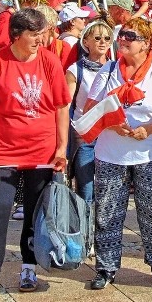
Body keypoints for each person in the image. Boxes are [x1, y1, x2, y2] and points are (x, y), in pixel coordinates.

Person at [0, 9, 70, 300]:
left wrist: (62, 146)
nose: (40, 39)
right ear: (17, 35)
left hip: (42, 150)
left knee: (34, 212)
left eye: (42, 33)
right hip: (3, 149)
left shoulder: (50, 61)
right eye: (33, 34)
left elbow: (61, 106)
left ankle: (29, 266)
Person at [84, 18, 152, 290]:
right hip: (111, 153)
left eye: (129, 35)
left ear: (146, 43)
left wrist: (149, 130)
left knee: (151, 213)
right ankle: (106, 267)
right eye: (121, 34)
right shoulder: (109, 70)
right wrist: (111, 123)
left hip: (151, 153)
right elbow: (90, 109)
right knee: (107, 211)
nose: (122, 39)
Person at [66, 19, 112, 203]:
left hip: (109, 135)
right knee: (85, 190)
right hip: (84, 136)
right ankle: (83, 228)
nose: (103, 42)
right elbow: (66, 106)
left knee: (108, 191)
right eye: (97, 37)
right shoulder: (75, 70)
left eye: (107, 38)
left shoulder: (117, 69)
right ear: (86, 41)